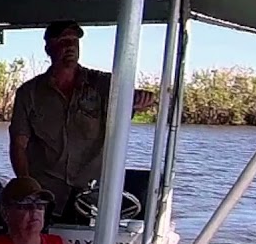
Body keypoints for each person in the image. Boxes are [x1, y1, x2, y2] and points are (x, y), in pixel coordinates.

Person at [9, 20, 157, 206]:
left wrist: (141, 100)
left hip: (92, 192)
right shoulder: (28, 92)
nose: (70, 47)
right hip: (46, 192)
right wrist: (27, 186)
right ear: (48, 49)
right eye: (63, 42)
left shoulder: (105, 84)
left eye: (74, 42)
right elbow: (18, 144)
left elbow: (140, 100)